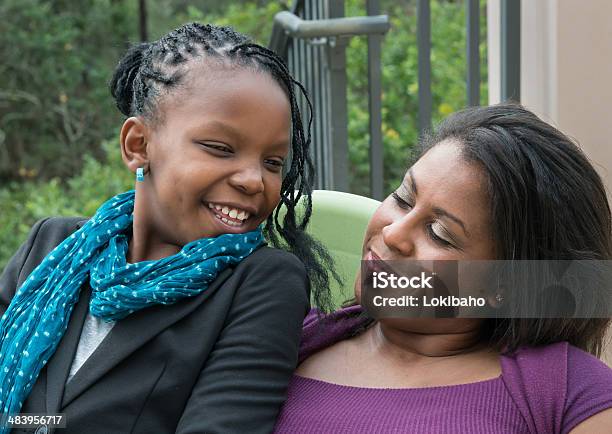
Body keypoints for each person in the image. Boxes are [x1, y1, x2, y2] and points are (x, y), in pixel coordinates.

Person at [0, 23, 334, 434]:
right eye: (221, 148)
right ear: (138, 145)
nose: (253, 180)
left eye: (273, 162)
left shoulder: (261, 283)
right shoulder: (51, 246)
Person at [274, 104, 612, 433]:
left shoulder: (566, 391)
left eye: (439, 234)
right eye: (403, 198)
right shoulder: (283, 337)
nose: (394, 234)